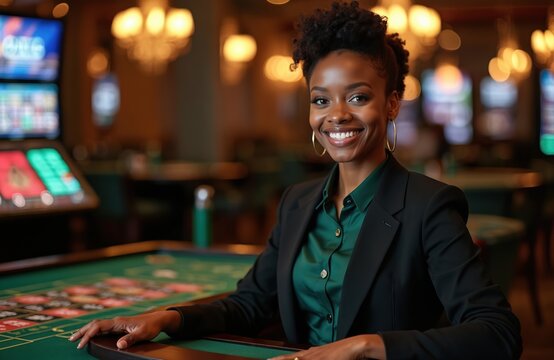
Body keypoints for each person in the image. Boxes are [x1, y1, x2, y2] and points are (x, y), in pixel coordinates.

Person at [70, 2, 522, 359]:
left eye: (359, 96)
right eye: (321, 99)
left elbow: (497, 333)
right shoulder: (298, 201)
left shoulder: (429, 205)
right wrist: (166, 318)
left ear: (392, 103)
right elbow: (252, 303)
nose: (337, 114)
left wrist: (368, 346)